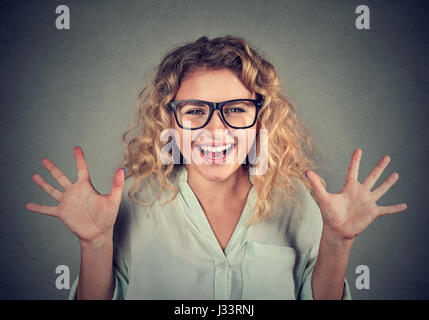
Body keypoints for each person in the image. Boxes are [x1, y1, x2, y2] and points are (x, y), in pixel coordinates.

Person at [26, 35, 407, 300]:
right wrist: (93, 244)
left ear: (260, 119)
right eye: (194, 111)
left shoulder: (301, 205)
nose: (215, 129)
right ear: (170, 121)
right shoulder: (128, 204)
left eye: (235, 110)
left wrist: (339, 241)